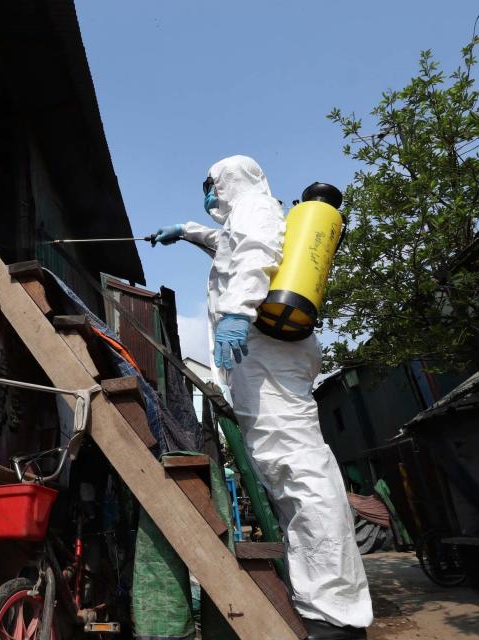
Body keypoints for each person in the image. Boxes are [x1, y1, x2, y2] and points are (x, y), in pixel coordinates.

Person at [153, 155, 373, 640]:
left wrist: (236, 310)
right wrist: (187, 230)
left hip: (267, 351)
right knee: (285, 470)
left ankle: (336, 613)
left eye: (210, 186)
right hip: (268, 354)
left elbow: (255, 252)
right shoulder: (248, 212)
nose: (209, 196)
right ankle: (321, 599)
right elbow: (231, 245)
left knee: (297, 468)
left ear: (227, 180)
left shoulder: (253, 208)